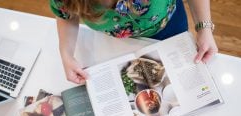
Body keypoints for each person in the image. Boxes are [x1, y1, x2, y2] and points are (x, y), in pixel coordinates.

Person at [50, 0, 218, 84]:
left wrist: (204, 28)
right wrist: (66, 53)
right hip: (115, 43)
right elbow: (66, 14)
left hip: (169, 27)